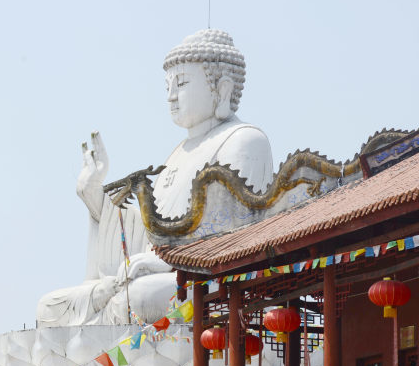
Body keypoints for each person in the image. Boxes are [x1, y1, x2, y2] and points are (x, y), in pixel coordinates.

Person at [36, 29, 272, 327]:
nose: (171, 96)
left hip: (212, 282)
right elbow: (148, 233)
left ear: (222, 89)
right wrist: (95, 196)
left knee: (138, 297)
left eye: (182, 83)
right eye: (167, 87)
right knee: (49, 306)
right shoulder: (177, 154)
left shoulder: (245, 141)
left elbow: (232, 236)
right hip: (154, 272)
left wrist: (164, 261)